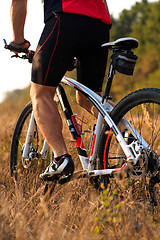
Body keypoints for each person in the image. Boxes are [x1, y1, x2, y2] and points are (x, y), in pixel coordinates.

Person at [10, 0, 112, 180]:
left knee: (40, 93)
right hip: (100, 24)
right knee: (88, 98)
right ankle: (133, 142)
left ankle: (60, 159)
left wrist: (18, 42)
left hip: (65, 17)